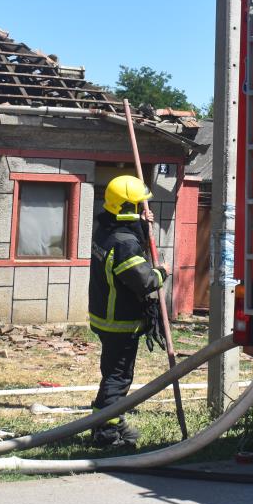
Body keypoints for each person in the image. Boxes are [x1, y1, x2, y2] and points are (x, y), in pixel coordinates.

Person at [87, 175, 168, 448]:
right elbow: (144, 281)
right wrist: (162, 273)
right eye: (138, 205)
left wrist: (141, 225)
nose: (144, 209)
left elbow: (127, 239)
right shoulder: (123, 243)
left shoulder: (105, 228)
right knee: (118, 378)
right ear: (126, 207)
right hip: (119, 321)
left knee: (112, 374)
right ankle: (107, 433)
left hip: (104, 316)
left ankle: (109, 419)